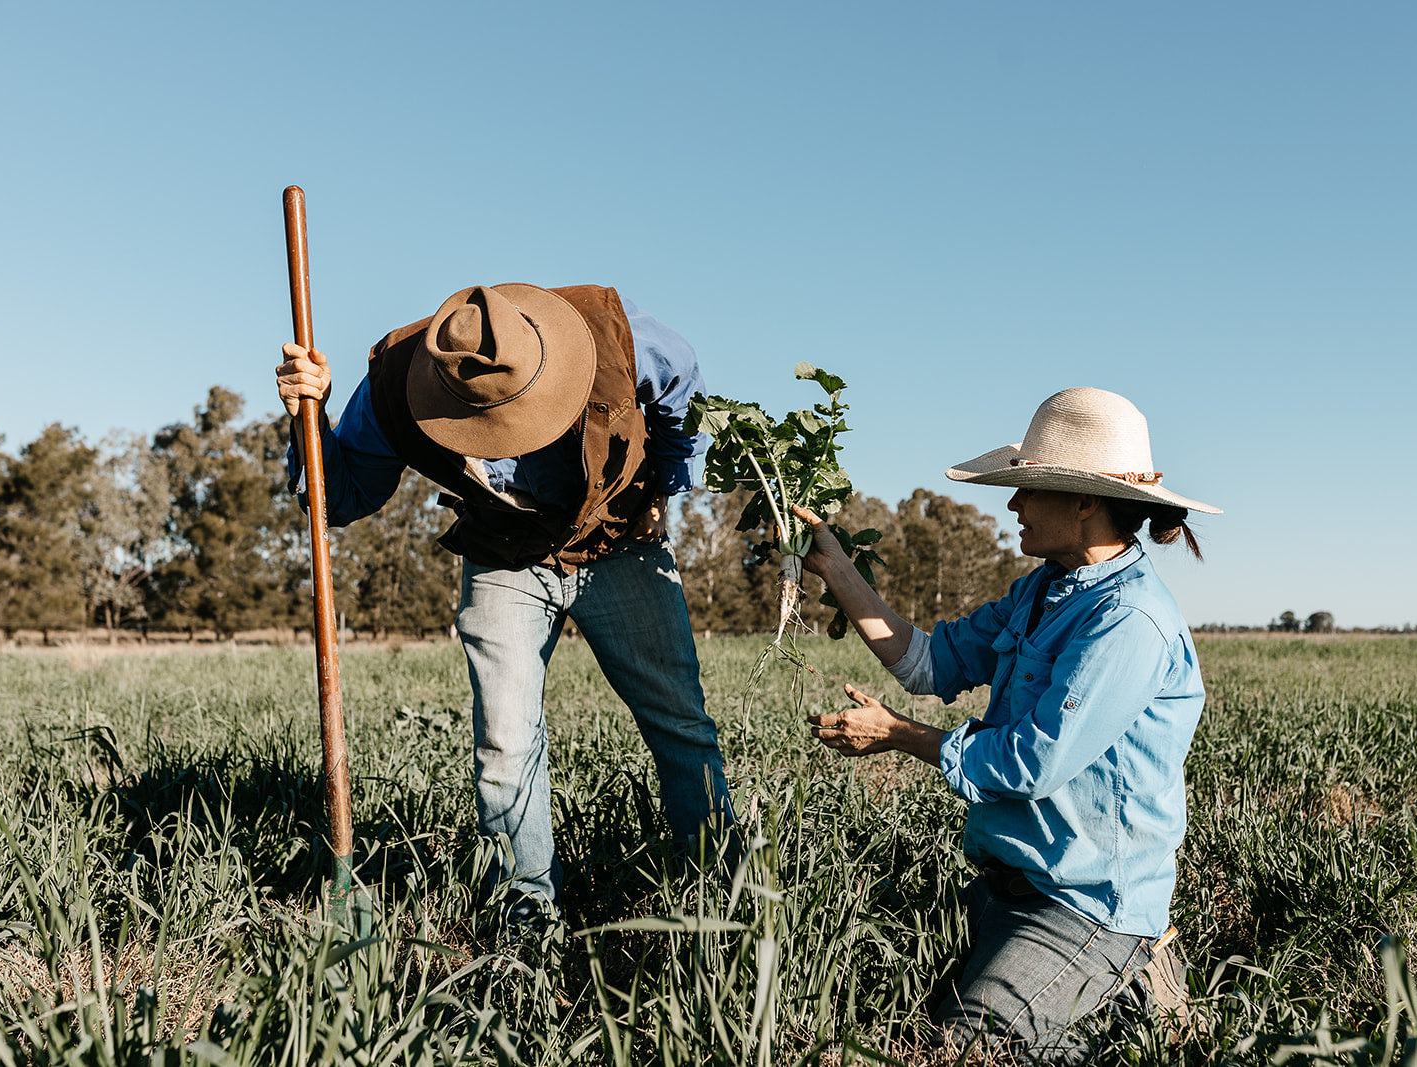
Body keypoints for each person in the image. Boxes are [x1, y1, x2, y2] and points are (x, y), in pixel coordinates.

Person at [275, 282, 733, 921]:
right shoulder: (394, 385)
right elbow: (340, 497)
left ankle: (719, 889)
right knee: (505, 746)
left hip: (619, 541)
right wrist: (310, 416)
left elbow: (684, 399)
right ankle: (527, 913)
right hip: (503, 553)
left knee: (679, 722)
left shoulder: (622, 335)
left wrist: (660, 488)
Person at [790, 387, 1219, 1060]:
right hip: (1009, 888)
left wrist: (899, 735)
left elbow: (1030, 763)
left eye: (1029, 489)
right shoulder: (1041, 588)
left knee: (970, 1049)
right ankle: (1123, 1010)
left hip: (1085, 906)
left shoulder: (1128, 621)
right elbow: (932, 663)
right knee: (867, 998)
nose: (1013, 504)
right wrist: (840, 570)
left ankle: (1132, 978)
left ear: (1084, 500)